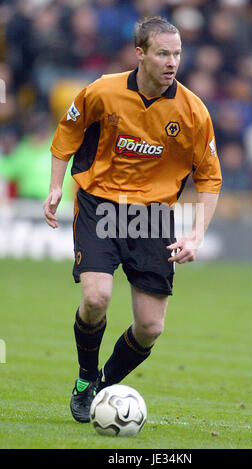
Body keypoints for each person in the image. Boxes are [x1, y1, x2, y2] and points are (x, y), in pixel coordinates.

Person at [43, 16, 222, 423]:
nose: (172, 61)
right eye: (163, 53)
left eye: (177, 53)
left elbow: (210, 175)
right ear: (140, 53)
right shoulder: (102, 91)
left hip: (154, 216)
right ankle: (87, 379)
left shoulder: (193, 110)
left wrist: (196, 235)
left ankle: (103, 386)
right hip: (101, 204)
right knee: (95, 298)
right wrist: (56, 186)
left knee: (150, 327)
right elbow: (66, 133)